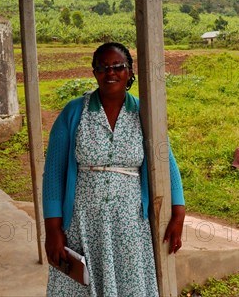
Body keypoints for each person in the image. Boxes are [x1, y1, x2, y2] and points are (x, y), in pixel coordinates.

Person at [42, 42, 185, 296]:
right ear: (94, 72)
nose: (111, 72)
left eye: (118, 66)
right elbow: (53, 174)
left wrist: (178, 214)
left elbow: (167, 164)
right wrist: (53, 230)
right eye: (103, 67)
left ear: (130, 72)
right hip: (82, 225)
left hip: (128, 226)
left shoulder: (144, 113)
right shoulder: (74, 112)